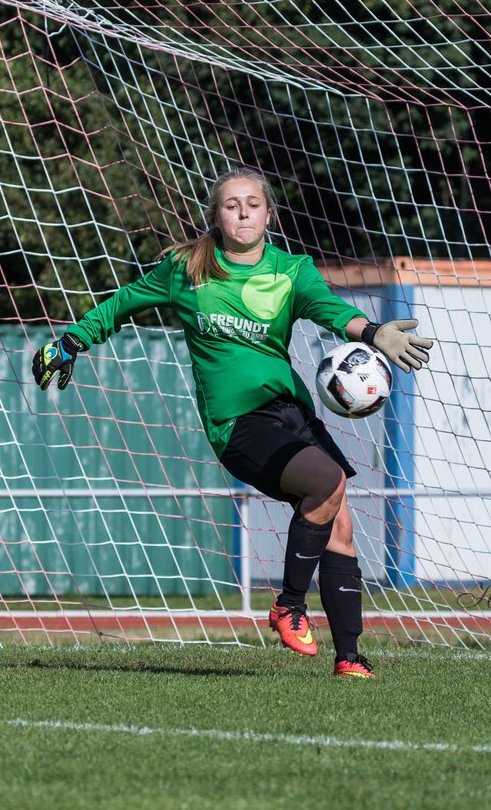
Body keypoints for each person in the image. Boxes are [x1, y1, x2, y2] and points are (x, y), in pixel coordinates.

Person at [32, 168, 432, 679]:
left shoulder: (292, 271)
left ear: (268, 213)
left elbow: (331, 311)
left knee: (342, 526)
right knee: (326, 483)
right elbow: (122, 304)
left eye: (252, 204)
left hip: (292, 413)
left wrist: (374, 331)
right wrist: (70, 343)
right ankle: (288, 605)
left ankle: (350, 660)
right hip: (236, 424)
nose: (242, 212)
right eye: (231, 205)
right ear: (216, 216)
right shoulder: (188, 271)